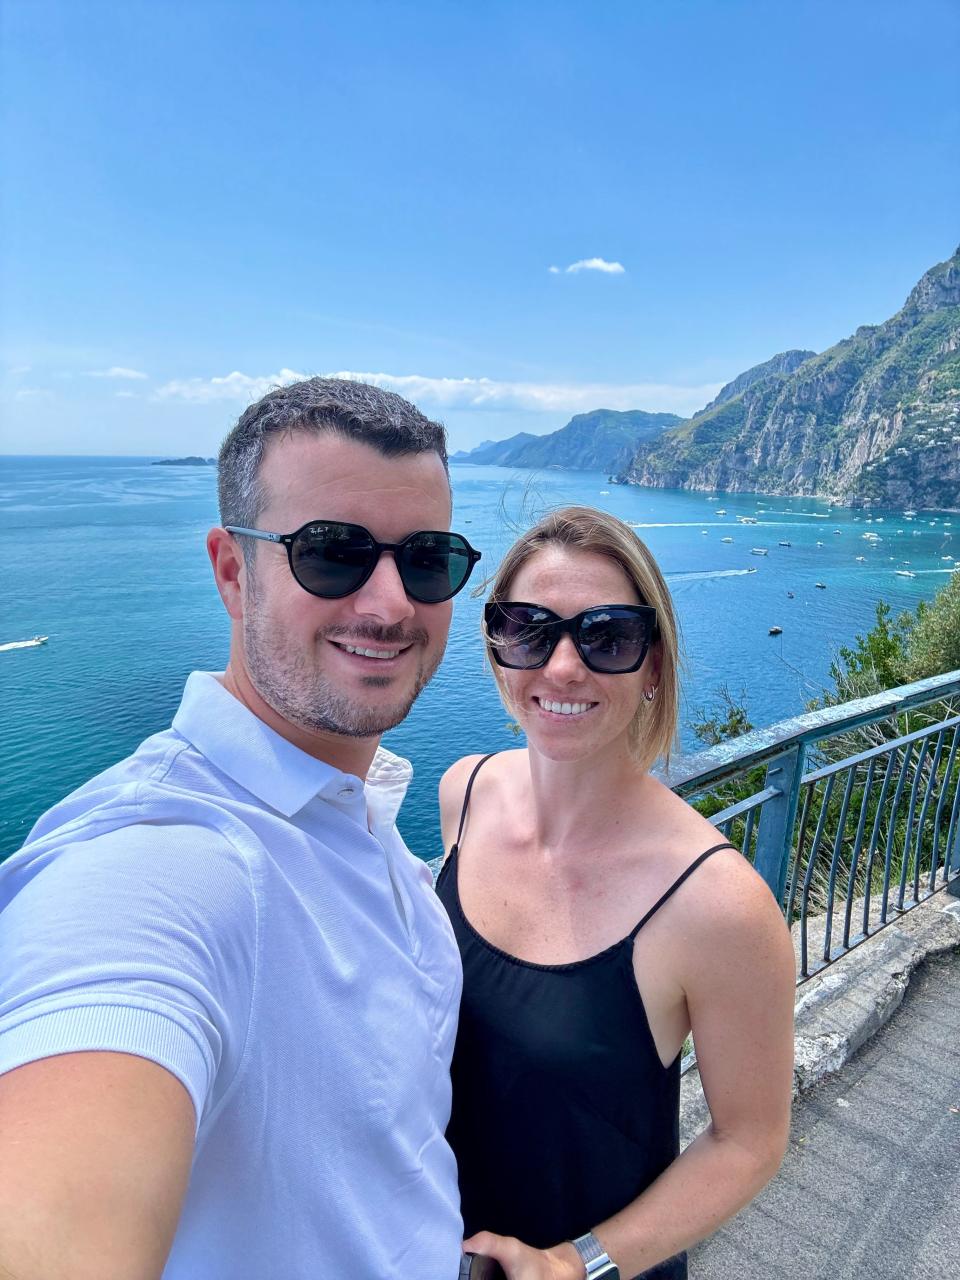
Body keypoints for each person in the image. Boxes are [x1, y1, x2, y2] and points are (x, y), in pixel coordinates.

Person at [0, 378, 482, 1279]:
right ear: (232, 570)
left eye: (426, 560)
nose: (388, 605)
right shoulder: (163, 859)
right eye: (332, 553)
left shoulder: (360, 807)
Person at [437, 506, 796, 1280]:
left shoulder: (717, 903)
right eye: (529, 628)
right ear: (498, 647)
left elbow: (750, 1139)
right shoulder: (462, 794)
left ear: (654, 664)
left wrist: (578, 1265)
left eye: (607, 636)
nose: (563, 667)